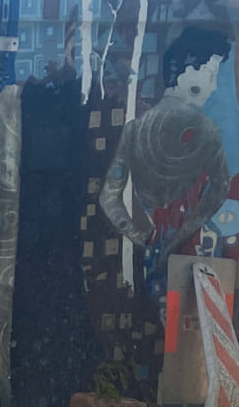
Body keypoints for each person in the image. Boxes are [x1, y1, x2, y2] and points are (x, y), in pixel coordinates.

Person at [99, 25, 232, 258]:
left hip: (150, 251)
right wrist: (183, 234)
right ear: (188, 72)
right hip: (192, 252)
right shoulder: (207, 130)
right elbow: (220, 189)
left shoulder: (133, 130)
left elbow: (108, 199)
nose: (214, 86)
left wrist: (140, 237)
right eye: (211, 74)